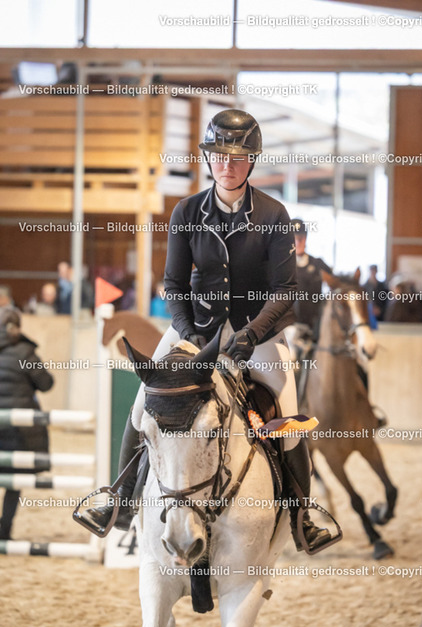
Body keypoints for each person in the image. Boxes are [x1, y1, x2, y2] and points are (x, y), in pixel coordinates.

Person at [79, 109, 332, 553]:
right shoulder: (186, 211)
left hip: (259, 334)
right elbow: (173, 284)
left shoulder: (274, 214)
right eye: (219, 155)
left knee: (288, 415)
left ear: (252, 161)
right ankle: (121, 501)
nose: (226, 164)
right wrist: (186, 331)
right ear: (209, 158)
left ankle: (303, 515)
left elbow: (285, 289)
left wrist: (252, 333)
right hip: (196, 329)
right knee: (141, 404)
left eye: (237, 157)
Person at [0, 307, 54, 539]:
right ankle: (4, 531)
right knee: (13, 482)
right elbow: (46, 383)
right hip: (19, 429)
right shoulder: (25, 352)